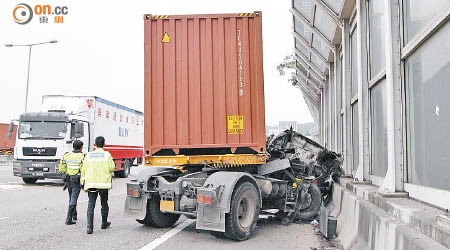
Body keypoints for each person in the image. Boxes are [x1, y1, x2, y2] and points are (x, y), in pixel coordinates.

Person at [81, 136, 115, 234]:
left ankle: (89, 228)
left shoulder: (88, 155)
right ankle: (104, 223)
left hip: (91, 183)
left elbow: (83, 170)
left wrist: (82, 182)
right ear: (104, 144)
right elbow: (112, 168)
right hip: (103, 184)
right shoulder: (107, 155)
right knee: (104, 203)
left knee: (91, 204)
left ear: (95, 144)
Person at [59, 140, 84, 225]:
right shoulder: (82, 156)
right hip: (77, 179)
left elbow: (62, 167)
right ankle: (68, 219)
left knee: (71, 197)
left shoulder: (67, 155)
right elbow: (84, 169)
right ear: (81, 147)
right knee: (74, 197)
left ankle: (74, 215)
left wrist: (65, 173)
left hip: (68, 178)